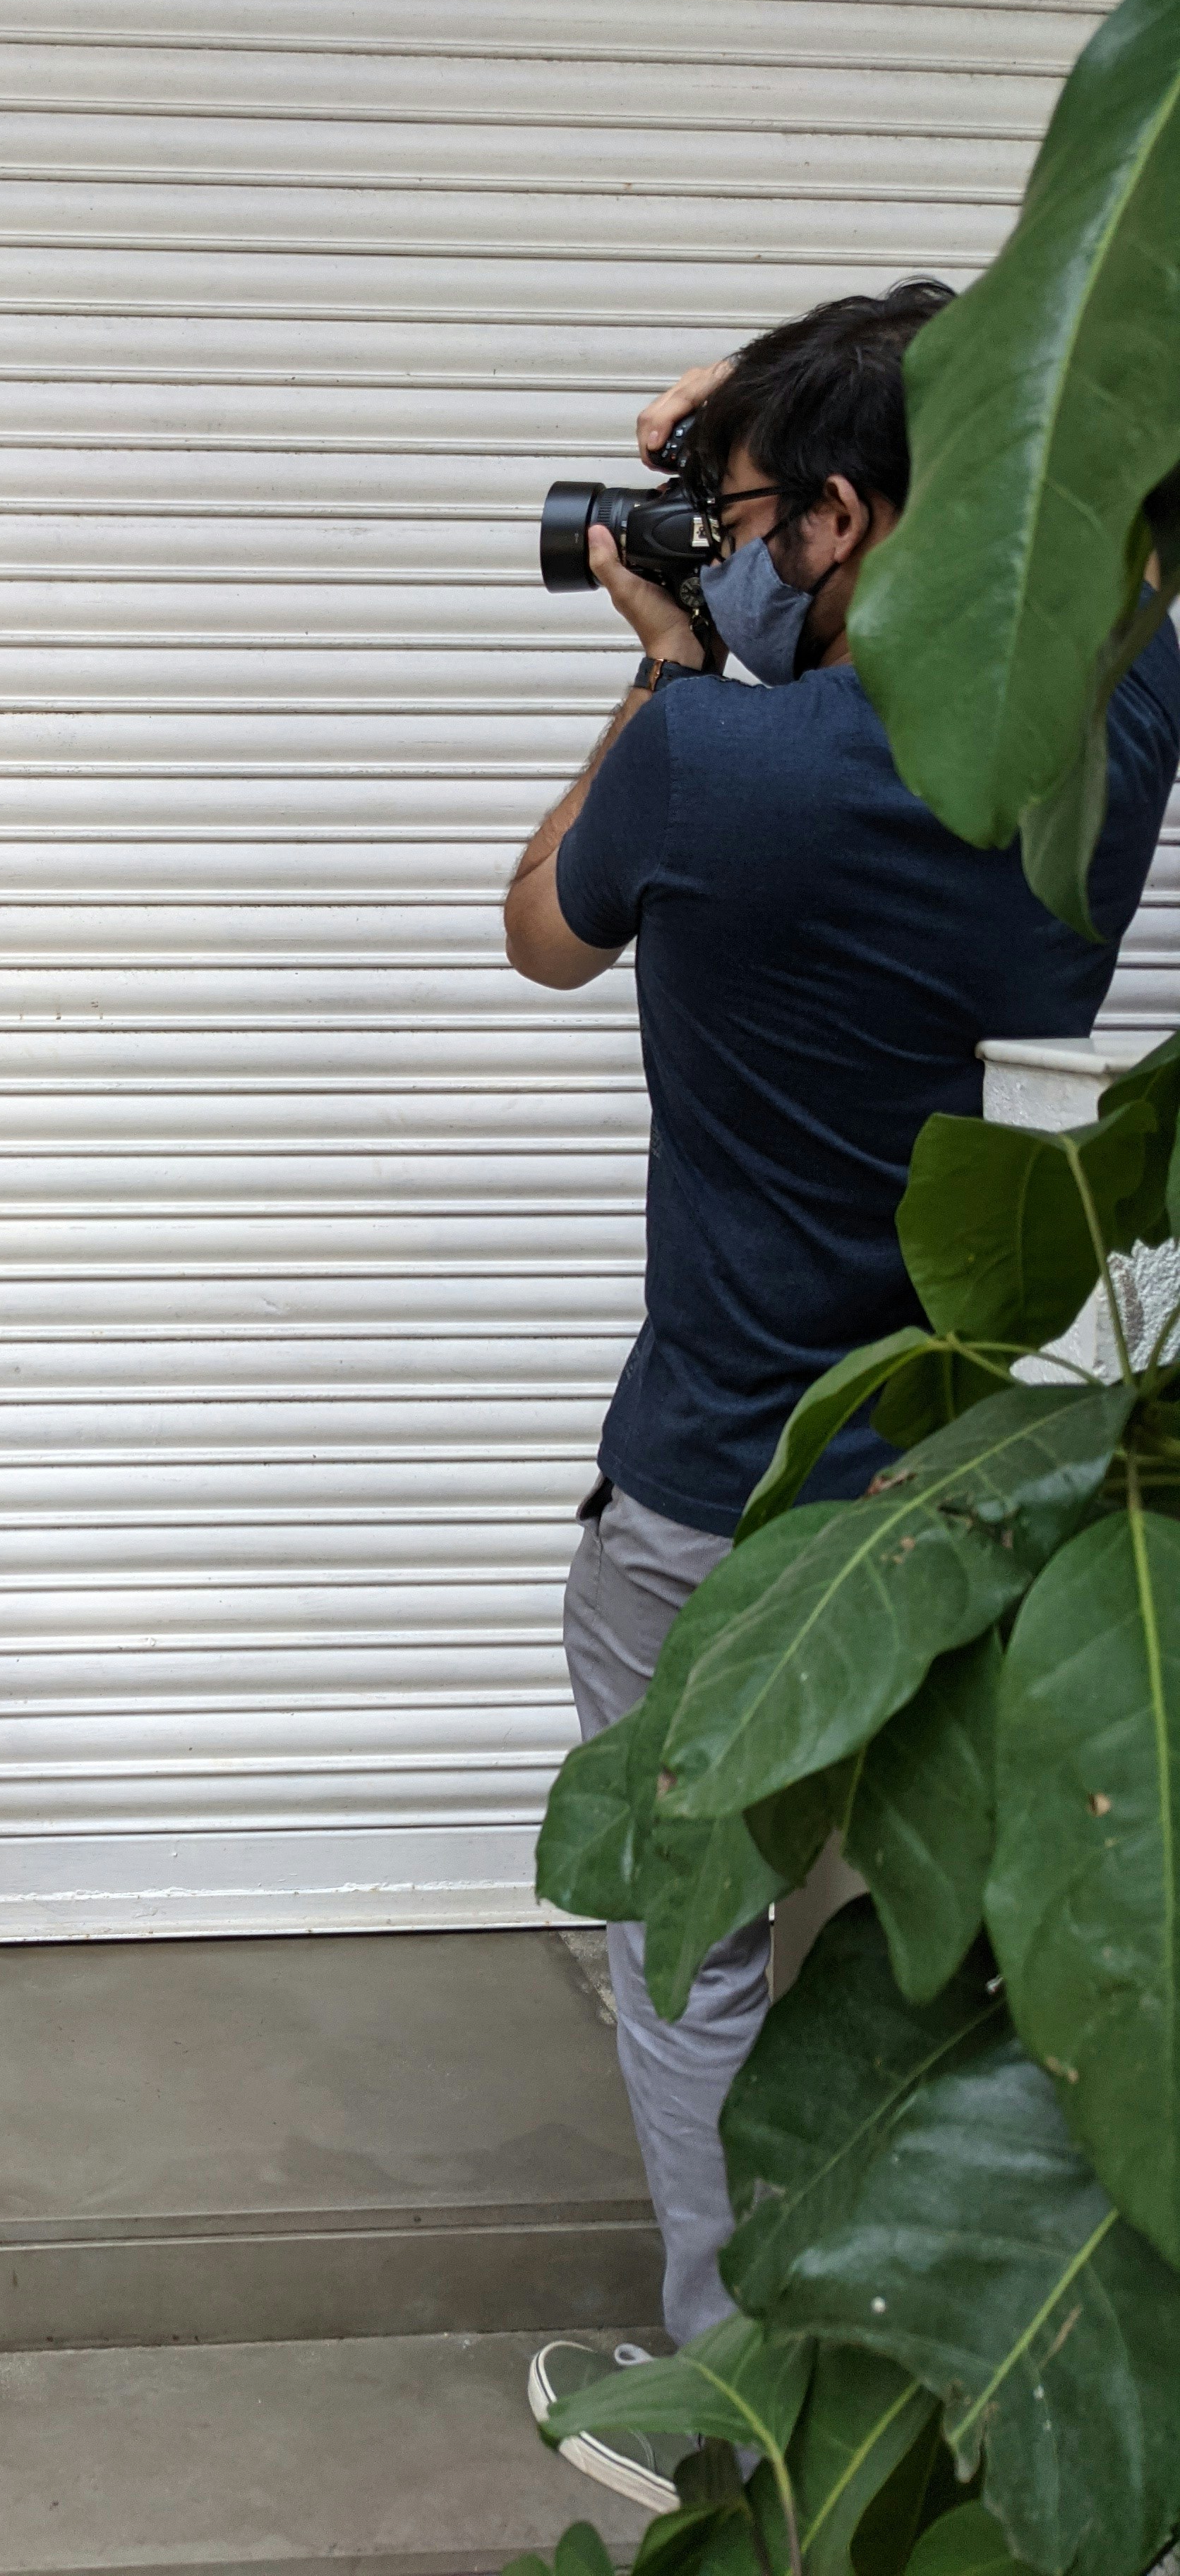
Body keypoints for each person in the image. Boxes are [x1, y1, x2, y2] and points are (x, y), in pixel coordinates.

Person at [505, 282, 1180, 2502]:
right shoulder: (1087, 751)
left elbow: (541, 923)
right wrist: (840, 438)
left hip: (713, 1475)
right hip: (957, 1485)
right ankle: (934, 2380)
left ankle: (726, 2412)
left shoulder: (713, 764)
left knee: (688, 1946)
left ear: (849, 520)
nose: (743, 542)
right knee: (907, 1936)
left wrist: (662, 656)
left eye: (776, 517)